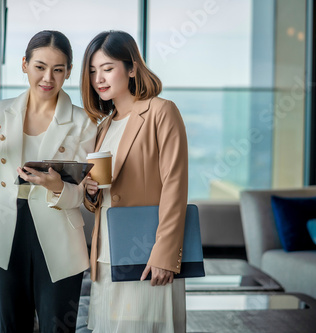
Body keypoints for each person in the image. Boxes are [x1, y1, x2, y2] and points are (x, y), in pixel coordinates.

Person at [0, 30, 96, 332]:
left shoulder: (83, 122)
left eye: (58, 69)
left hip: (59, 238)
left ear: (68, 72)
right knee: (9, 326)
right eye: (40, 66)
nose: (47, 77)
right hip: (6, 234)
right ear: (24, 64)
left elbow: (86, 196)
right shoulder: (0, 111)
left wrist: (57, 187)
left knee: (57, 327)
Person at [81, 31, 188, 333]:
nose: (98, 78)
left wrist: (165, 254)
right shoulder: (104, 126)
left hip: (148, 255)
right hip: (106, 257)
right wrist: (91, 191)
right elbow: (105, 195)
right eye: (92, 71)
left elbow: (175, 187)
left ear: (131, 68)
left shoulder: (161, 112)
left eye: (107, 68)